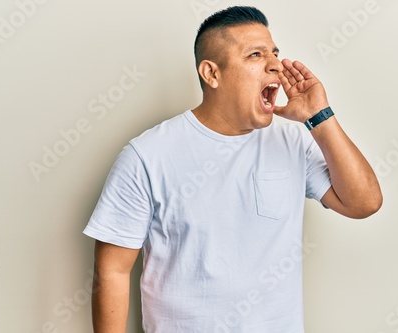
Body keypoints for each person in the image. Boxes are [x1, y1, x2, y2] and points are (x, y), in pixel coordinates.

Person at [83, 6, 382, 333]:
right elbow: (112, 270)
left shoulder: (293, 143)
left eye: (275, 52)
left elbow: (364, 203)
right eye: (255, 54)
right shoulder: (147, 155)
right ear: (211, 74)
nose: (275, 65)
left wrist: (319, 117)